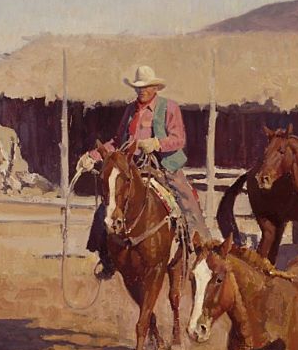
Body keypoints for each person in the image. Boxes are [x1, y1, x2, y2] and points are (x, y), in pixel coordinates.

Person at [77, 65, 211, 280]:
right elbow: (118, 141)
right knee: (108, 206)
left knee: (187, 200)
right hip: (133, 167)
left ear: (155, 87)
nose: (142, 91)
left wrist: (157, 143)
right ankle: (106, 258)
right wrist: (92, 156)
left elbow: (179, 139)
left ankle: (200, 250)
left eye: (146, 87)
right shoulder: (130, 110)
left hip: (163, 166)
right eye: (139, 87)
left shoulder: (169, 108)